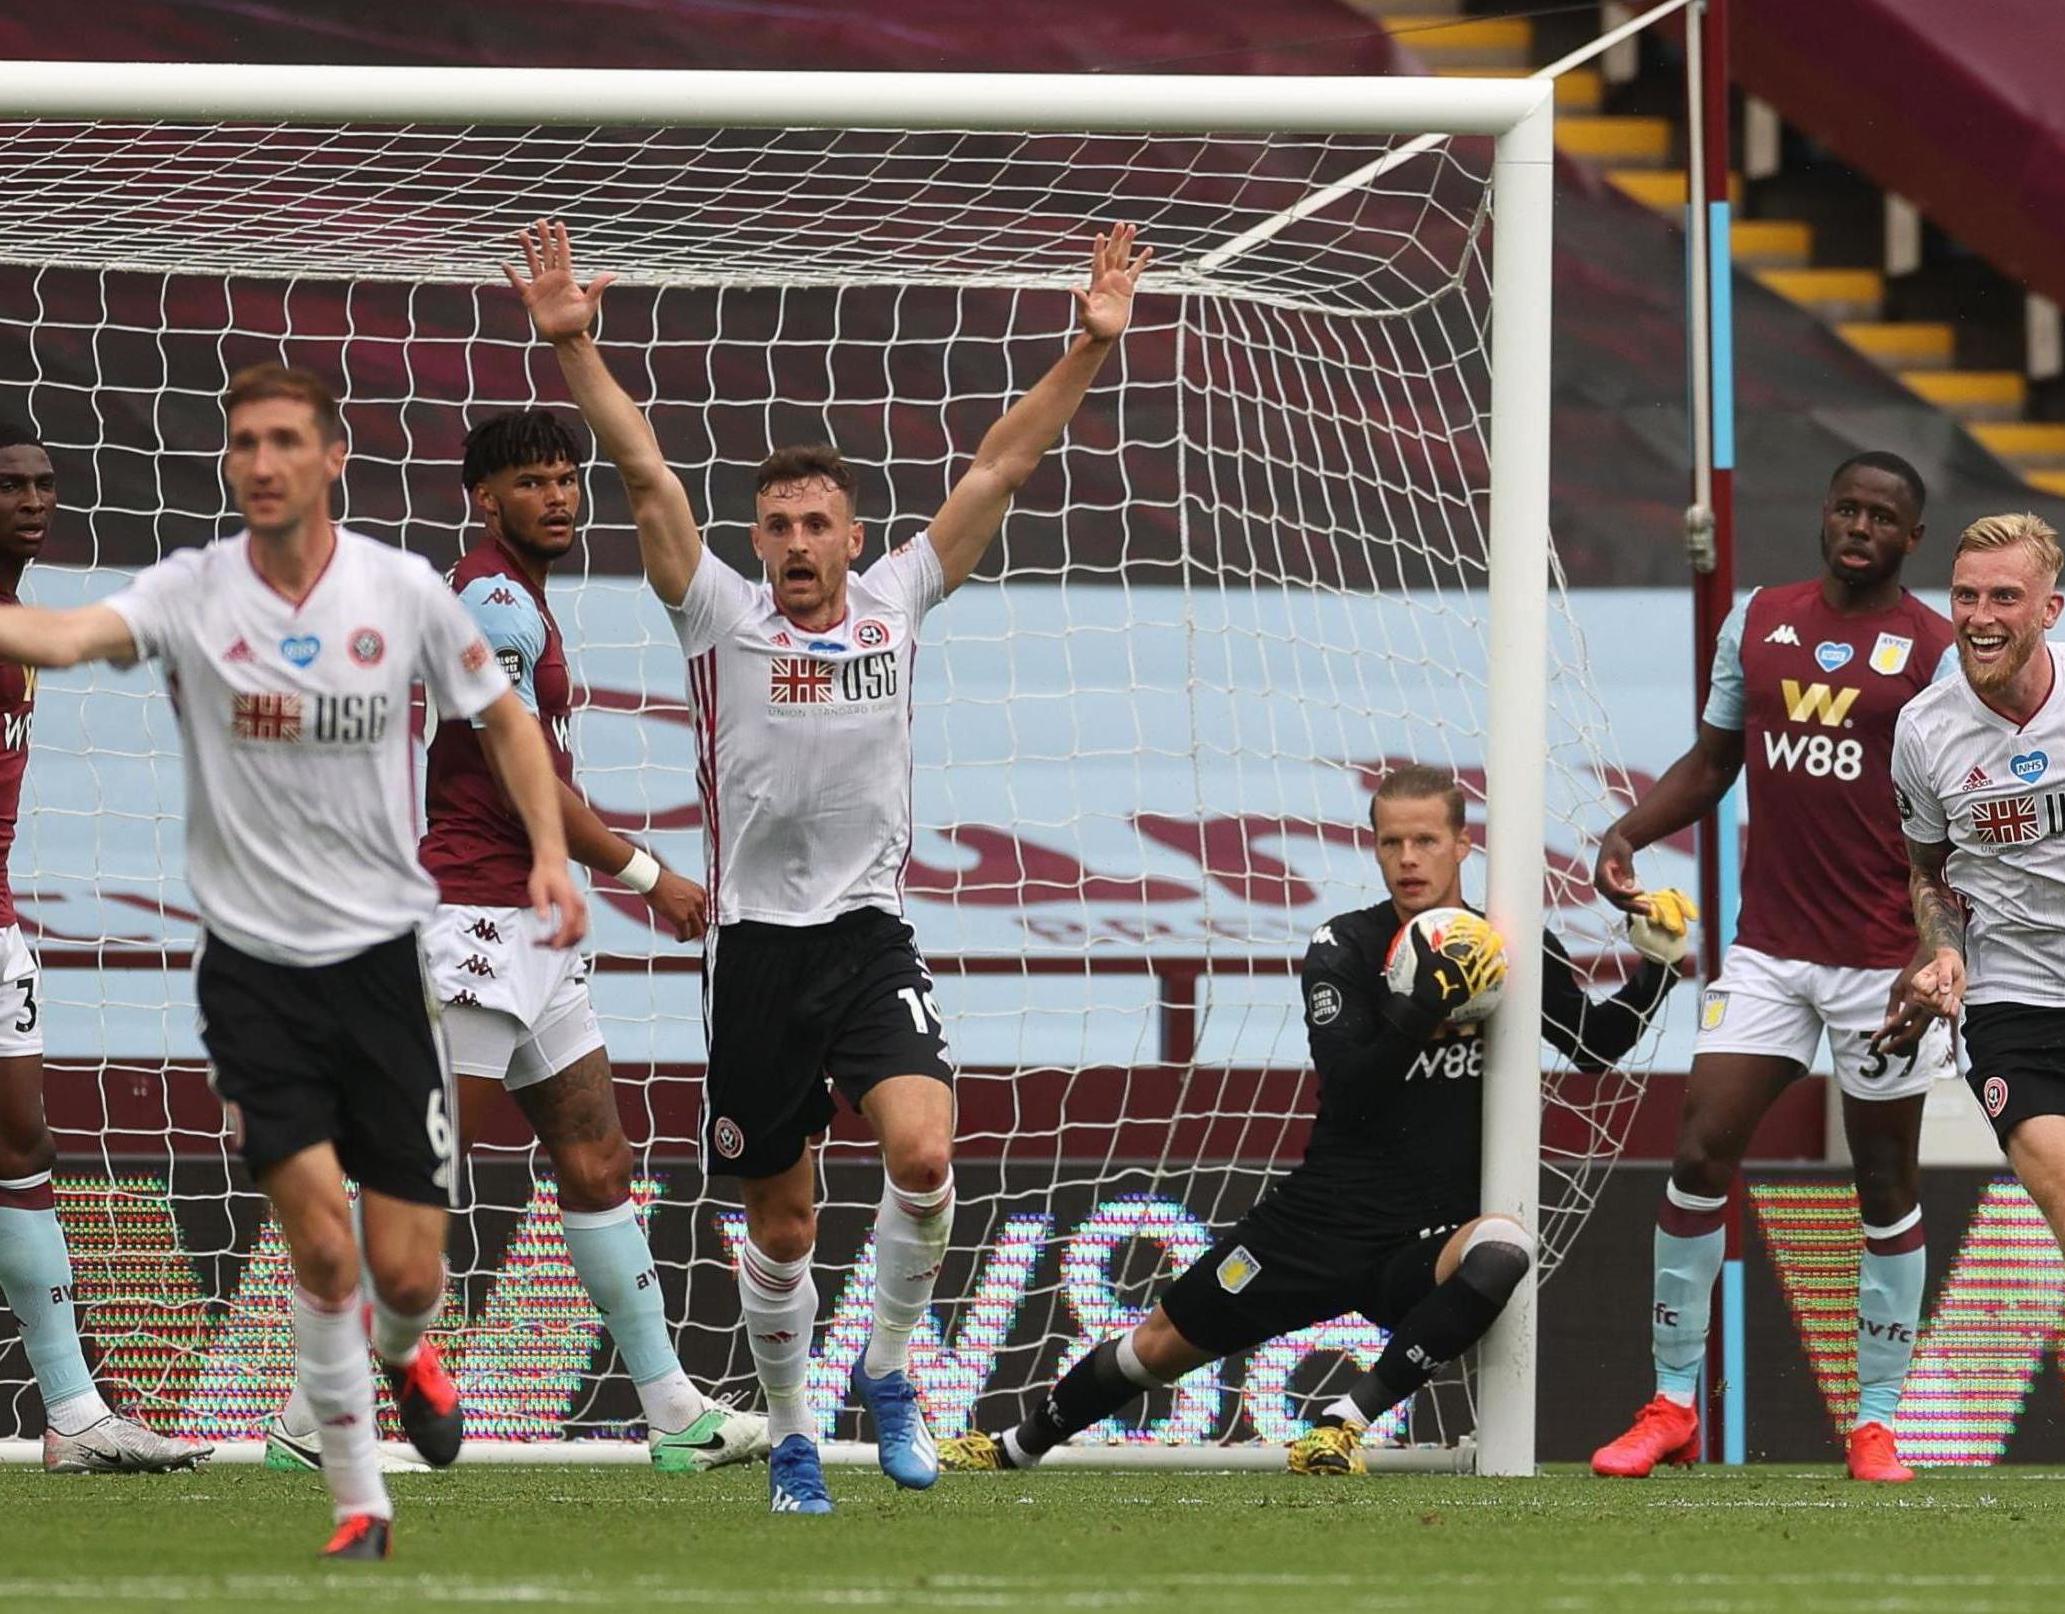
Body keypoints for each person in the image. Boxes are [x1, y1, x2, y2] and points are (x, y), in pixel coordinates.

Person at [504, 216, 1148, 1513]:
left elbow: (1002, 467)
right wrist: (575, 349)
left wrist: (1088, 346)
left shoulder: (899, 597)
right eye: (778, 525)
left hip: (865, 938)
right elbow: (642, 475)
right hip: (753, 953)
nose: (795, 543)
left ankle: (896, 1370)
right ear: (757, 540)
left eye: (817, 524)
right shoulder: (717, 611)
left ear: (855, 538)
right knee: (784, 1229)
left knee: (922, 1153)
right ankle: (795, 1427)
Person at [0, 366, 587, 1559]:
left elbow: (507, 722)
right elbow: (59, 634)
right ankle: (359, 1501)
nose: (260, 462)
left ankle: (404, 1345)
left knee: (405, 1270)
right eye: (242, 444)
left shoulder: (406, 591)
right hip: (253, 973)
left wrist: (551, 855)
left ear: (332, 460)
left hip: (382, 965)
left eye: (283, 441)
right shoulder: (194, 589)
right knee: (318, 1241)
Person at [260, 410, 766, 1473]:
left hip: (526, 929)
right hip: (474, 920)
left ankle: (670, 1409)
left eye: (569, 480)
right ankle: (319, 1419)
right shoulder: (494, 598)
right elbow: (513, 769)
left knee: (593, 1158)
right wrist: (643, 873)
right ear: (483, 500)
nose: (561, 498)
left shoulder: (514, 599)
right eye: (533, 482)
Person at [937, 766, 1688, 1475]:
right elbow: (1350, 1087)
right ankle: (1015, 1446)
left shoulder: (1502, 944)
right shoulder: (1344, 946)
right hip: (1319, 1221)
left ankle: (1341, 1427)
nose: (1406, 859)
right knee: (1159, 1344)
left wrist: (1655, 967)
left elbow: (1595, 1046)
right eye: (1389, 841)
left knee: (1501, 1250)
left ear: (1464, 844)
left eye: (1425, 840)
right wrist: (1418, 1006)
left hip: (1422, 1237)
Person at [1590, 453, 1955, 1485]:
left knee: (1882, 1181)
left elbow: (1953, 825)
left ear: (1909, 540)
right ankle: (1670, 1406)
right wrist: (1627, 830)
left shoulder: (1932, 653)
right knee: (1700, 1149)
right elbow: (1713, 762)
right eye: (1844, 506)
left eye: (1881, 517)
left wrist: (1932, 955)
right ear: (1823, 514)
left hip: (1880, 963)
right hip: (1768, 955)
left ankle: (1875, 1421)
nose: (1857, 526)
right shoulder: (1754, 620)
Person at [1887, 513, 2065, 1437]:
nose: (1980, 616)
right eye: (1964, 596)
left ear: (2050, 606)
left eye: (2003, 597)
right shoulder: (1924, 732)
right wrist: (1943, 948)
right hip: (2014, 1006)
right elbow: (1927, 871)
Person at [0, 421, 210, 1475]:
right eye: (10, 485)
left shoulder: (24, 623)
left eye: (43, 483)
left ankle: (75, 1415)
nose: (33, 500)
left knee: (24, 1148)